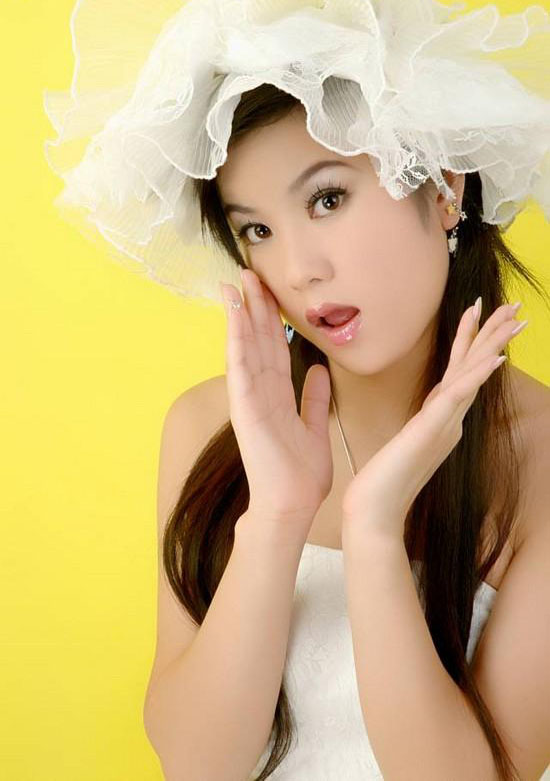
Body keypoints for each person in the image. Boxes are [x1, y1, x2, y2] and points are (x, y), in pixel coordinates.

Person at [43, 1, 550, 779]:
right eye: (257, 230)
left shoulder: (539, 455)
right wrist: (278, 514)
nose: (297, 270)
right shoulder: (209, 426)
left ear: (444, 184)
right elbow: (197, 766)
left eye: (327, 199)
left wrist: (374, 531)